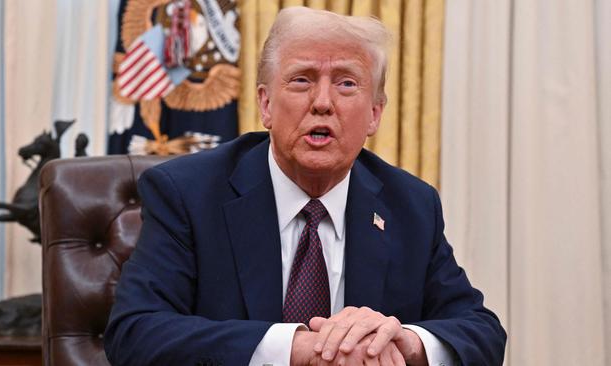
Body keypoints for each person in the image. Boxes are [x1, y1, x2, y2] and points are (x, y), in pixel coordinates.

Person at [104, 6, 506, 365]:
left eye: (347, 83)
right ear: (265, 104)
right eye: (301, 80)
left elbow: (481, 332)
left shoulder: (411, 205)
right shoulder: (188, 193)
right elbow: (136, 334)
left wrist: (404, 341)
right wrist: (298, 349)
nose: (323, 102)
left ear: (374, 115)